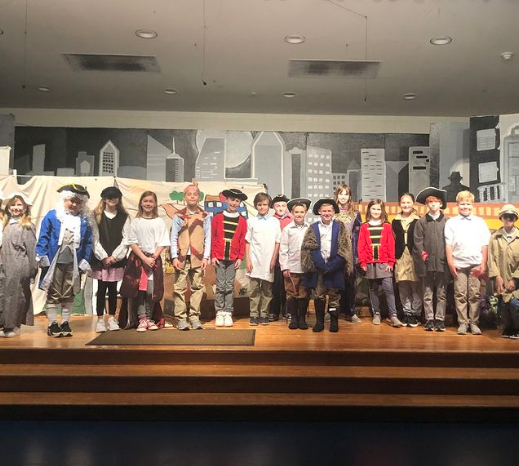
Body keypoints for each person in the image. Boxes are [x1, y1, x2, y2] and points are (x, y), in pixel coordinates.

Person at [36, 184, 93, 338]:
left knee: (69, 292)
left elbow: (88, 242)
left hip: (73, 263)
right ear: (65, 200)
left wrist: (85, 260)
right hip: (54, 261)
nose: (74, 204)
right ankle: (52, 323)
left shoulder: (84, 221)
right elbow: (43, 236)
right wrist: (41, 254)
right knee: (54, 292)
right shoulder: (53, 216)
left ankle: (65, 322)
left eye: (78, 202)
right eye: (71, 201)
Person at [120, 191, 169, 332]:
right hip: (139, 260)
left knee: (151, 291)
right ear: (141, 203)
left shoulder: (159, 222)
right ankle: (142, 318)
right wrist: (144, 258)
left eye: (151, 201)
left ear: (155, 204)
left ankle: (149, 318)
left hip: (154, 260)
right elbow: (132, 242)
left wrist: (153, 257)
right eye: (145, 201)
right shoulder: (136, 222)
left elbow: (163, 241)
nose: (148, 204)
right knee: (140, 290)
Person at [301, 198, 352, 333]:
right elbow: (310, 247)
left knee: (334, 296)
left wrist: (333, 265)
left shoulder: (340, 227)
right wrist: (321, 265)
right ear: (319, 211)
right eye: (324, 211)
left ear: (334, 212)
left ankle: (334, 322)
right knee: (319, 295)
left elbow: (344, 247)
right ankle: (319, 322)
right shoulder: (313, 228)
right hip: (320, 268)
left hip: (335, 267)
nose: (327, 213)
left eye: (329, 211)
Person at [445, 190, 491, 335]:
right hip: (458, 264)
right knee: (460, 294)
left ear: (473, 205)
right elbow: (448, 245)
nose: (465, 207)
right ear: (457, 205)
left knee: (474, 294)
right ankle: (463, 323)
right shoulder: (451, 222)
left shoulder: (479, 222)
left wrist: (483, 263)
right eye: (462, 204)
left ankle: (474, 323)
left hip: (475, 263)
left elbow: (484, 244)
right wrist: (450, 263)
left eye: (468, 204)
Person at [170, 184, 211, 330]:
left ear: (199, 197)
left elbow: (208, 237)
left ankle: (194, 317)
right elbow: (173, 236)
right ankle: (181, 318)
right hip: (182, 257)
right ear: (184, 197)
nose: (192, 196)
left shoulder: (205, 215)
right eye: (189, 194)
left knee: (197, 287)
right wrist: (174, 256)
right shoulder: (178, 215)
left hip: (198, 257)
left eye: (195, 194)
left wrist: (206, 256)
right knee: (179, 288)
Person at [90, 186, 130, 333]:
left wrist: (115, 256)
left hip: (116, 260)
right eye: (109, 197)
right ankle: (100, 319)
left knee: (113, 289)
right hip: (101, 260)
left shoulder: (124, 217)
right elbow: (94, 238)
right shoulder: (96, 216)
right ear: (104, 199)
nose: (112, 199)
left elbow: (126, 239)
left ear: (119, 199)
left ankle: (112, 318)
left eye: (115, 197)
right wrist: (103, 256)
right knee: (101, 289)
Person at [358, 199, 402, 327]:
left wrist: (391, 262)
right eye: (373, 209)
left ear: (382, 211)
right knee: (373, 290)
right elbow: (361, 245)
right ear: (369, 210)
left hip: (384, 263)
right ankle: (376, 313)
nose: (376, 211)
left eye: (378, 209)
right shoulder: (364, 227)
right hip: (370, 263)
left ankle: (393, 315)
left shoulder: (387, 226)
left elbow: (391, 245)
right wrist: (363, 262)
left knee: (389, 289)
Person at [0, 193, 38, 338]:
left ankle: (12, 326)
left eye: (19, 204)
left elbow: (31, 250)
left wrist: (33, 270)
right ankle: (5, 323)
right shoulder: (6, 224)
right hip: (6, 264)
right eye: (13, 205)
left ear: (25, 207)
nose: (16, 208)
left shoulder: (27, 226)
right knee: (5, 294)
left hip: (19, 265)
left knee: (15, 295)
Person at [413, 187, 449, 332]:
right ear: (427, 204)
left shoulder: (447, 221)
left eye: (436, 202)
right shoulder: (421, 222)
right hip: (427, 263)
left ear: (441, 204)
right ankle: (429, 318)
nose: (433, 204)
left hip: (442, 262)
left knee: (441, 292)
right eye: (430, 202)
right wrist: (423, 256)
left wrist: (447, 257)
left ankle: (440, 319)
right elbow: (418, 242)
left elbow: (450, 242)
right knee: (427, 292)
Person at [211, 188, 248, 328]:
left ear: (240, 203)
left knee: (229, 285)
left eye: (237, 201)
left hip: (233, 258)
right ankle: (219, 311)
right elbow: (213, 237)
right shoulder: (218, 217)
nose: (234, 203)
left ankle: (228, 312)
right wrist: (213, 255)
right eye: (232, 200)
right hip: (219, 257)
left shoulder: (242, 220)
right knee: (220, 285)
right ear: (226, 200)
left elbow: (242, 240)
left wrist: (240, 257)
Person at [246, 192, 281, 326]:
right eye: (259, 204)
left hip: (268, 260)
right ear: (255, 205)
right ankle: (254, 314)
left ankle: (264, 314)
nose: (262, 207)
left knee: (267, 290)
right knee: (254, 289)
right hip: (255, 259)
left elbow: (277, 242)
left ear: (269, 206)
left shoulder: (274, 221)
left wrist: (273, 259)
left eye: (265, 204)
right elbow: (248, 242)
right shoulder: (251, 221)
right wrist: (248, 260)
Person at [279, 198, 311, 330]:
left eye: (302, 212)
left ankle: (302, 318)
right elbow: (283, 249)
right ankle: (293, 317)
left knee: (304, 293)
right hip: (291, 267)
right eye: (296, 212)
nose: (299, 214)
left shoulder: (309, 228)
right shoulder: (287, 229)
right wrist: (284, 266)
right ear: (292, 213)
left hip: (305, 267)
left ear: (305, 213)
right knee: (291, 293)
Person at [488, 204, 519, 339]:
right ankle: (508, 327)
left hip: (517, 281)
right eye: (506, 216)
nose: (508, 219)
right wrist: (497, 276)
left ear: (516, 218)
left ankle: (517, 327)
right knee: (504, 306)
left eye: (511, 217)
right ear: (501, 218)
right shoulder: (495, 237)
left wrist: (515, 279)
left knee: (515, 304)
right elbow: (491, 259)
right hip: (501, 280)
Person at [392, 193, 422, 327]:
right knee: (403, 286)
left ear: (413, 203)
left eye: (408, 202)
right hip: (400, 257)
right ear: (400, 204)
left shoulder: (418, 220)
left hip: (414, 257)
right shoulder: (395, 221)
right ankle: (406, 312)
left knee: (416, 286)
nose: (406, 205)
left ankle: (416, 313)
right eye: (403, 202)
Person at [334, 184, 362, 322]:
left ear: (350, 196)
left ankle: (351, 312)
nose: (343, 197)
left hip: (351, 251)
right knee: (335, 282)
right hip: (336, 251)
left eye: (346, 194)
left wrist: (357, 255)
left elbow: (359, 235)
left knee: (350, 282)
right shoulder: (332, 212)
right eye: (341, 193)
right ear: (337, 195)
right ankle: (333, 311)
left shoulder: (355, 214)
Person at [269, 194, 292, 322]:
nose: (281, 208)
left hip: (288, 260)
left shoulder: (291, 219)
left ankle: (287, 310)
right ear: (273, 207)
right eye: (278, 205)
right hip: (275, 259)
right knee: (275, 287)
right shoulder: (271, 220)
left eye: (283, 205)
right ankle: (274, 311)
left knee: (287, 286)